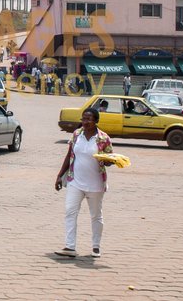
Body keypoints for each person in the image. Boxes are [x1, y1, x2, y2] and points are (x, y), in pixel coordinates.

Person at [54, 107, 114, 258]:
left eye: (89, 119)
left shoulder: (103, 138)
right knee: (70, 211)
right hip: (75, 181)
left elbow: (110, 160)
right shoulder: (77, 134)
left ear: (96, 121)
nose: (85, 122)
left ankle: (96, 247)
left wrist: (107, 161)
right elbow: (69, 155)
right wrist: (60, 175)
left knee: (96, 215)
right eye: (83, 119)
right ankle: (70, 247)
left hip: (95, 184)